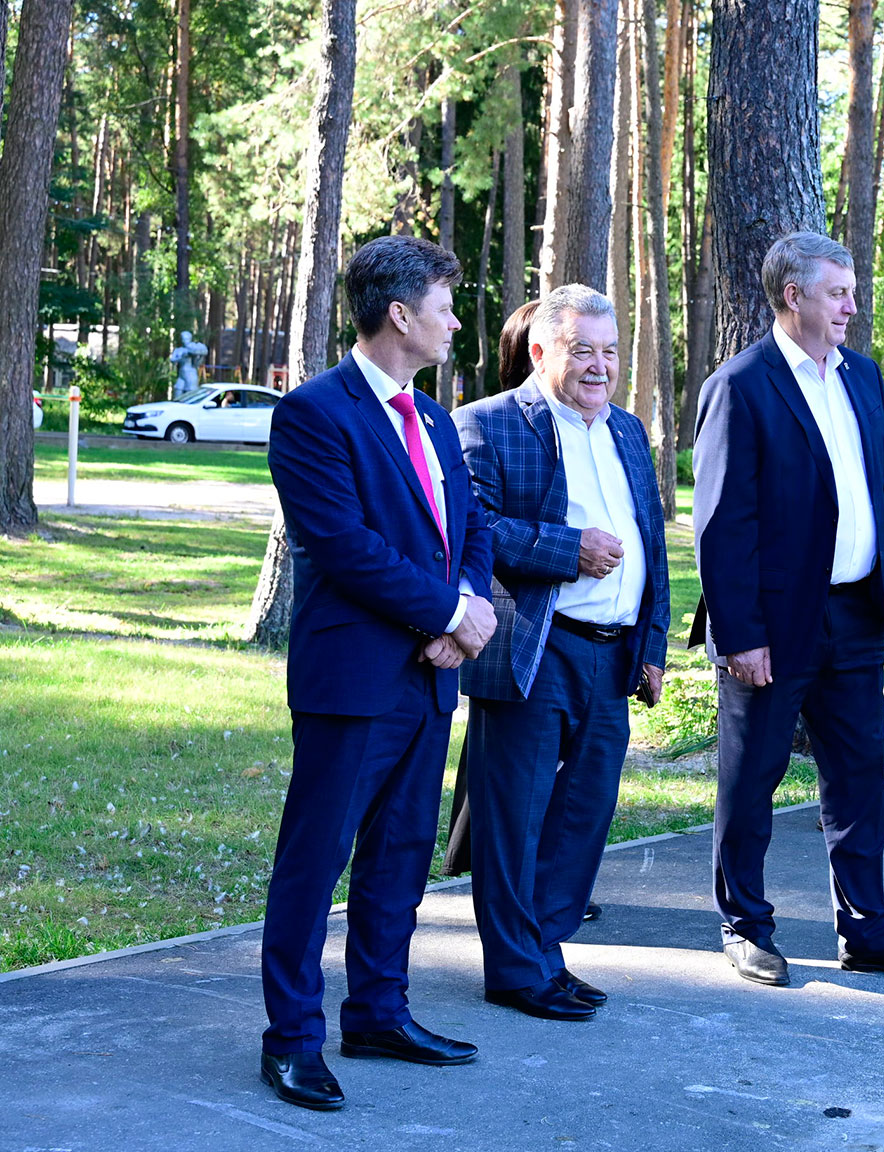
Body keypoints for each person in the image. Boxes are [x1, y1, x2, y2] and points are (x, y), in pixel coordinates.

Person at [257, 235, 496, 1110]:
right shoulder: (314, 413)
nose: (455, 322)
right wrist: (448, 614)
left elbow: (470, 527)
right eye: (444, 307)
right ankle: (292, 1040)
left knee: (400, 854)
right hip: (354, 680)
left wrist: (464, 614)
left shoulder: (432, 416)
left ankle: (379, 1014)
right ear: (399, 314)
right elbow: (344, 546)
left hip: (430, 677)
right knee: (314, 860)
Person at [692, 231, 884, 987]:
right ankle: (745, 926)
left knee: (860, 780)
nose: (851, 306)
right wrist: (740, 635)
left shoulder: (863, 376)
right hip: (774, 629)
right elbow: (721, 525)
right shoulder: (742, 384)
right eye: (837, 292)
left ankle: (868, 929)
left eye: (851, 292)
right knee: (753, 781)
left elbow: (873, 477)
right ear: (793, 296)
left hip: (858, 615)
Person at [453, 285, 672, 1022]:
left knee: (584, 815)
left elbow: (651, 540)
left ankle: (545, 955)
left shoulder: (628, 430)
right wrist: (566, 549)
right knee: (515, 817)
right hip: (535, 647)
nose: (600, 366)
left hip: (613, 654)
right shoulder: (487, 422)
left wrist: (653, 644)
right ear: (542, 350)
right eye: (583, 351)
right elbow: (473, 529)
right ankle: (515, 970)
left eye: (610, 351)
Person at [443, 299, 541, 880]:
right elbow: (480, 528)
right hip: (505, 623)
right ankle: (477, 865)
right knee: (495, 770)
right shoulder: (485, 422)